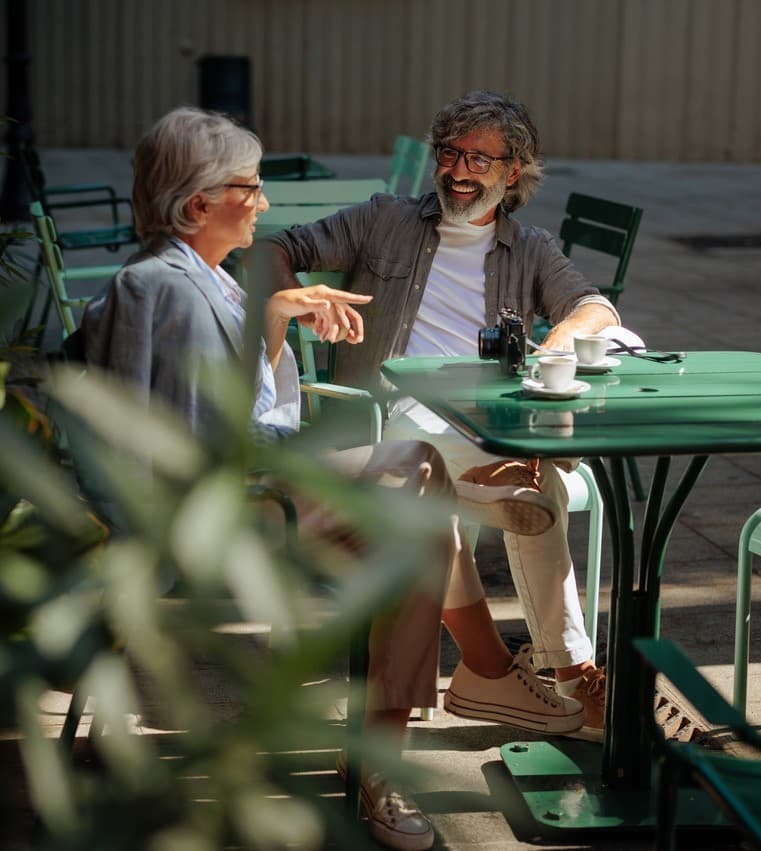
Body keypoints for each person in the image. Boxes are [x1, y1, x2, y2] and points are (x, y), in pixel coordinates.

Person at [80, 106, 583, 851]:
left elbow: (238, 412)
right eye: (251, 188)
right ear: (197, 205)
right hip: (213, 518)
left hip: (252, 486)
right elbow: (186, 453)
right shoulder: (168, 291)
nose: (266, 203)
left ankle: (433, 709)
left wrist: (276, 317)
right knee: (414, 485)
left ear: (513, 175)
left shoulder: (201, 281)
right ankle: (420, 728)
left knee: (417, 500)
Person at [255, 91, 616, 742]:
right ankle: (500, 504)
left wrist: (559, 340)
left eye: (479, 157)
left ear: (513, 173)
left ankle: (571, 675)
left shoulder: (529, 248)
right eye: (449, 152)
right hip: (382, 420)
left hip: (477, 424)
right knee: (459, 474)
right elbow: (278, 246)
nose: (458, 169)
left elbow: (596, 309)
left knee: (546, 491)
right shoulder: (384, 219)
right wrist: (292, 299)